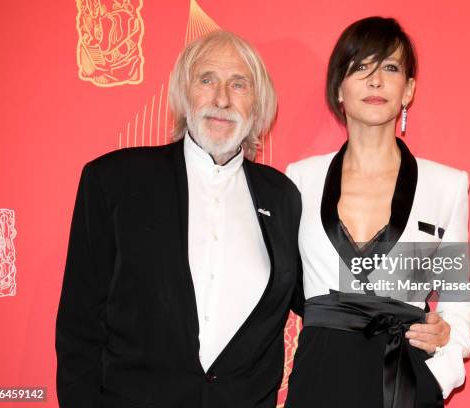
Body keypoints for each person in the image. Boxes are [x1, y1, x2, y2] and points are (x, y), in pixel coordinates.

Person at [56, 31, 305, 408]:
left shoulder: (283, 196)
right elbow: (79, 325)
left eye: (239, 84)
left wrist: (412, 307)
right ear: (183, 93)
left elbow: (323, 298)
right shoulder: (114, 181)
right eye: (207, 80)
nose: (222, 99)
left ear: (258, 103)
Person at [284, 17, 470, 407]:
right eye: (360, 68)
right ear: (339, 88)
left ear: (408, 90)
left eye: (390, 68)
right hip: (320, 373)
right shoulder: (300, 179)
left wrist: (446, 362)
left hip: (405, 378)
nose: (375, 81)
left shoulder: (447, 185)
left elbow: (458, 294)